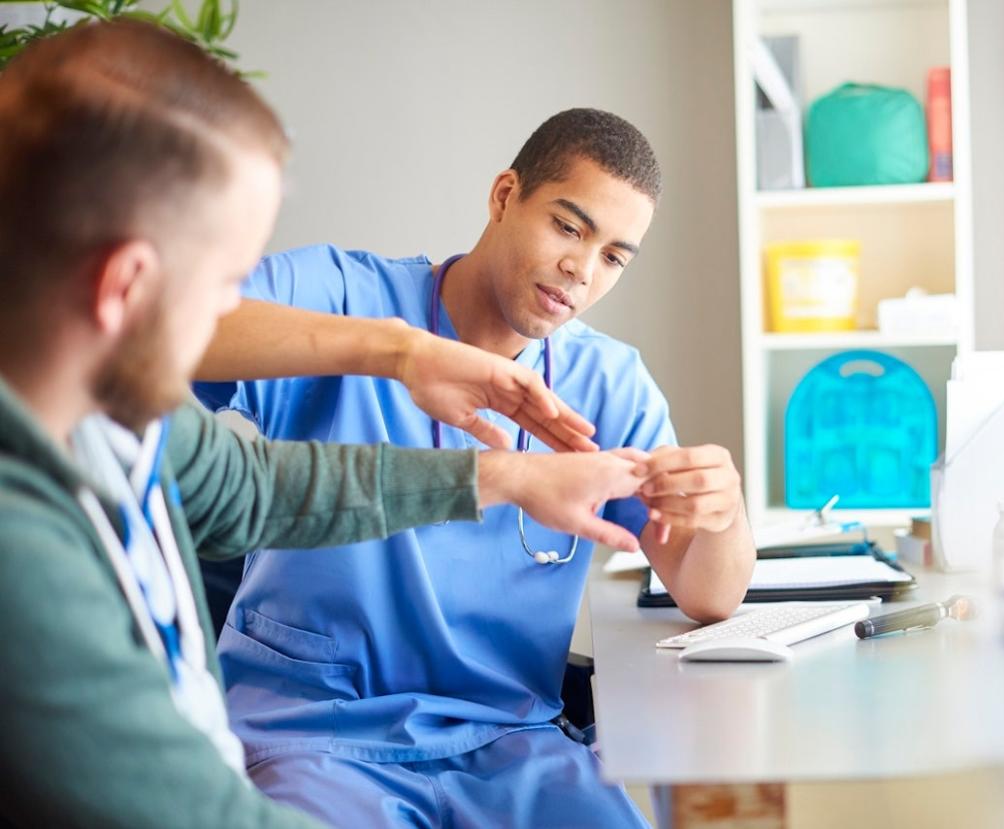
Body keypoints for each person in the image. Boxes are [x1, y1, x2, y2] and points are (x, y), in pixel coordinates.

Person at [0, 23, 655, 828]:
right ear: (126, 286)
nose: (235, 314)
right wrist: (396, 348)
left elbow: (259, 487)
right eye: (228, 280)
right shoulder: (23, 554)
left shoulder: (121, 428)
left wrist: (508, 477)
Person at [195, 108, 757, 827]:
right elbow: (167, 329)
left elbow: (711, 593)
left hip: (509, 743)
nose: (581, 271)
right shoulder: (348, 298)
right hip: (314, 734)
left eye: (614, 256)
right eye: (568, 226)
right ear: (503, 196)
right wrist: (397, 353)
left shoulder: (608, 382)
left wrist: (722, 507)